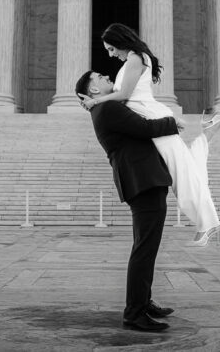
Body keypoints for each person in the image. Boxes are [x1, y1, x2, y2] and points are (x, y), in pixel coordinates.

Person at [80, 23, 220, 247]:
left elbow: (125, 94)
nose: (110, 55)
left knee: (182, 175)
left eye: (111, 49)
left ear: (120, 42)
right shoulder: (136, 59)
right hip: (150, 116)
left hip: (151, 117)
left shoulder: (135, 59)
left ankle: (208, 224)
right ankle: (207, 136)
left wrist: (95, 101)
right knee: (185, 168)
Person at [75, 70, 182, 332]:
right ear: (94, 91)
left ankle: (143, 302)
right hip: (143, 180)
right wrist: (174, 122)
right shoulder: (108, 109)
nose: (105, 76)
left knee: (146, 246)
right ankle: (135, 312)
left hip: (143, 179)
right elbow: (145, 128)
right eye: (99, 77)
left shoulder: (105, 108)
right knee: (145, 249)